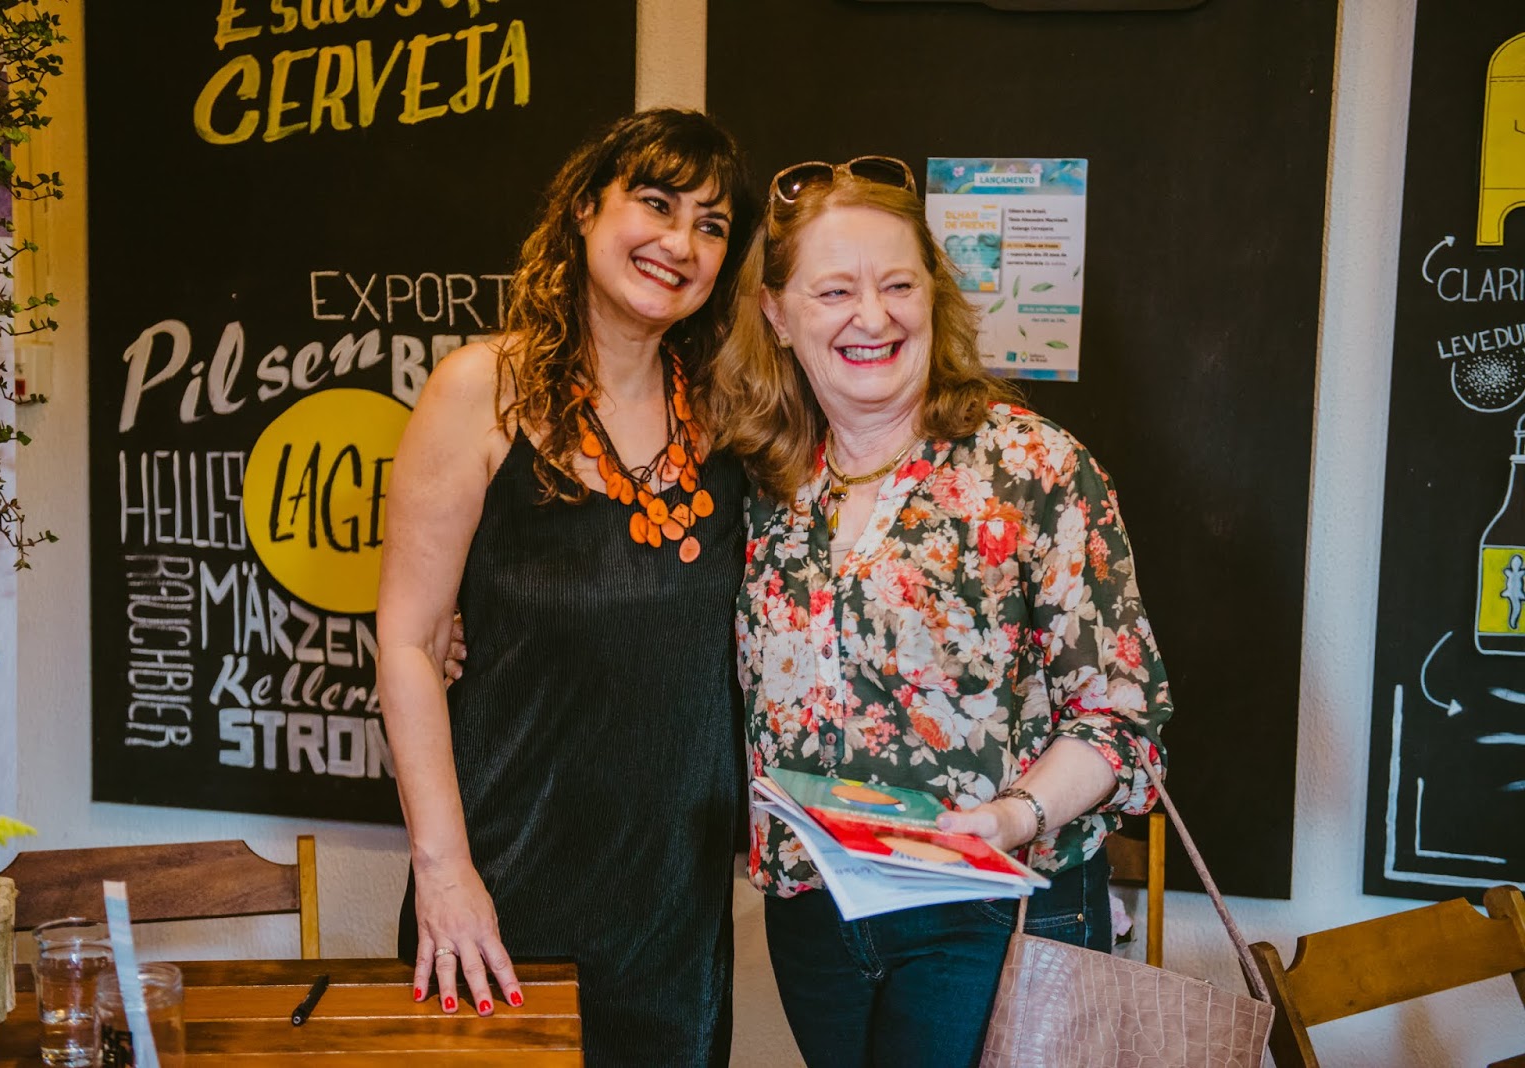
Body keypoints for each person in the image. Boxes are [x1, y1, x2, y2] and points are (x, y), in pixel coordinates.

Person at [702, 156, 1174, 1068]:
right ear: (777, 314)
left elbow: (1123, 718)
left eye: (898, 285)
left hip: (994, 906)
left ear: (934, 295)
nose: (872, 316)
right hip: (817, 919)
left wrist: (1013, 816)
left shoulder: (1033, 469)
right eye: (834, 290)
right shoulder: (763, 483)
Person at [375, 108, 754, 1067]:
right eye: (656, 204)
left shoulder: (731, 413)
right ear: (586, 207)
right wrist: (443, 875)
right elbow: (410, 645)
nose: (680, 243)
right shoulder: (480, 389)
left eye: (711, 225)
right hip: (504, 884)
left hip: (673, 913)